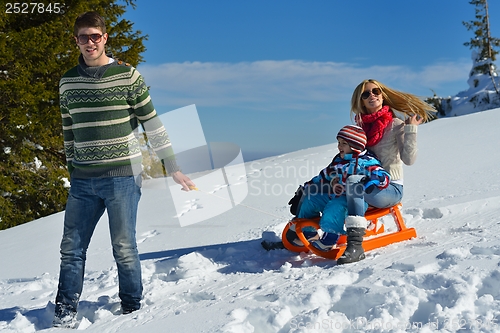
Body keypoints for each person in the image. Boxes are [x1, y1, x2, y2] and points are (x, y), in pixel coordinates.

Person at [53, 12, 196, 327]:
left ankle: (132, 310)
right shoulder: (67, 82)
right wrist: (73, 169)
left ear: (104, 38)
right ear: (75, 40)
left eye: (95, 36)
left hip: (122, 179)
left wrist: (172, 167)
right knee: (71, 248)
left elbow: (153, 124)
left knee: (124, 246)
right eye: (83, 37)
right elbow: (68, 131)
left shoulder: (128, 76)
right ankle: (63, 315)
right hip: (83, 181)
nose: (89, 42)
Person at [336, 79, 436, 264]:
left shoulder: (395, 124)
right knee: (334, 183)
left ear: (382, 95)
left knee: (353, 184)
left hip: (390, 188)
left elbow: (409, 160)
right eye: (366, 94)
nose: (372, 95)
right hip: (366, 184)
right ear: (361, 101)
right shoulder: (360, 129)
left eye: (376, 91)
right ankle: (305, 233)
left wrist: (410, 129)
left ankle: (356, 245)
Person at [288, 125, 390, 254]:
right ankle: (309, 233)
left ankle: (329, 239)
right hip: (334, 195)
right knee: (311, 199)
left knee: (335, 206)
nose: (339, 146)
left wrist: (373, 179)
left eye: (343, 143)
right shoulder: (338, 160)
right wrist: (306, 188)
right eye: (339, 143)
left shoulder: (366, 162)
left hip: (355, 202)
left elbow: (384, 176)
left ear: (355, 146)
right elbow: (324, 176)